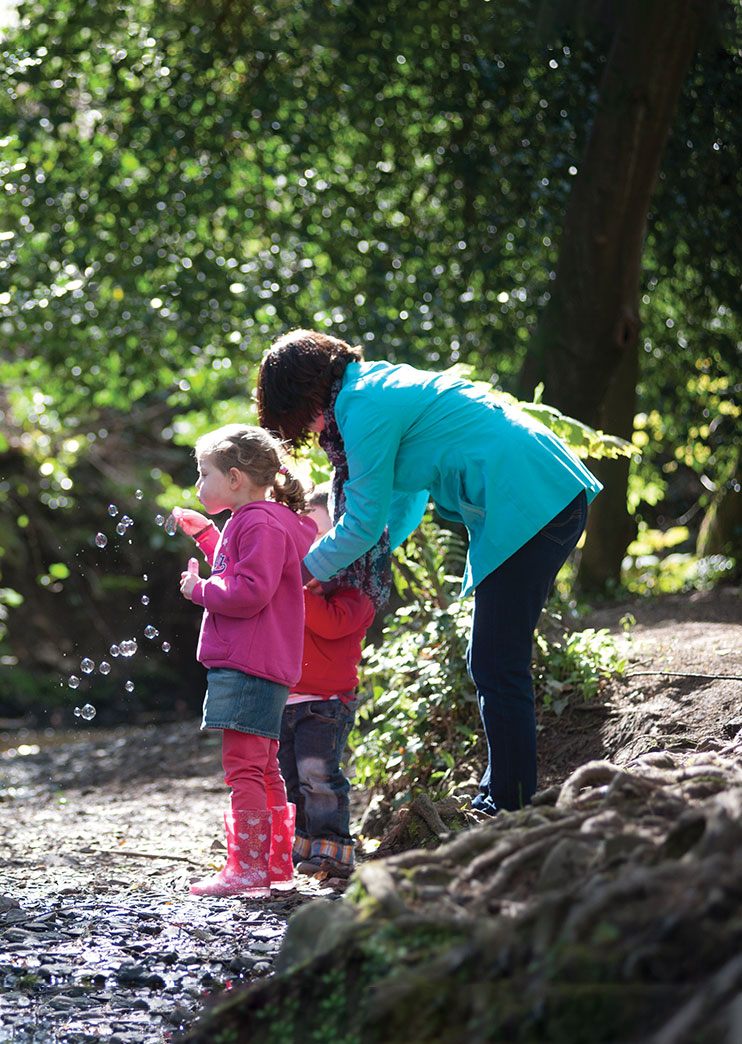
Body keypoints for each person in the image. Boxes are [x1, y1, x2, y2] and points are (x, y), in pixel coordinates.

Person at [257, 329, 602, 816]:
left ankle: (508, 805)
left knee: (497, 662)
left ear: (308, 391)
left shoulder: (362, 407)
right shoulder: (369, 390)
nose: (312, 432)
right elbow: (400, 504)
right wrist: (340, 569)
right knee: (492, 658)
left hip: (530, 497)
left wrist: (298, 572)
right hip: (530, 496)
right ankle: (502, 795)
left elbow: (362, 521)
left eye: (303, 418)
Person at [174, 423, 316, 896]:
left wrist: (200, 591)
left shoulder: (256, 521)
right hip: (264, 662)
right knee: (264, 766)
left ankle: (247, 869)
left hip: (246, 662)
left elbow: (248, 591)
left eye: (203, 474)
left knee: (243, 768)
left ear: (235, 478)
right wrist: (207, 536)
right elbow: (242, 569)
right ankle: (275, 866)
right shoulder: (262, 520)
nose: (198, 486)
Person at [279, 485, 376, 878]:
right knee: (290, 776)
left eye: (325, 537)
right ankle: (301, 844)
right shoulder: (294, 589)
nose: (315, 548)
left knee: (319, 776)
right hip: (286, 698)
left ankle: (333, 849)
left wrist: (297, 588)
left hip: (327, 702)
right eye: (308, 535)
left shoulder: (357, 594)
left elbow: (334, 625)